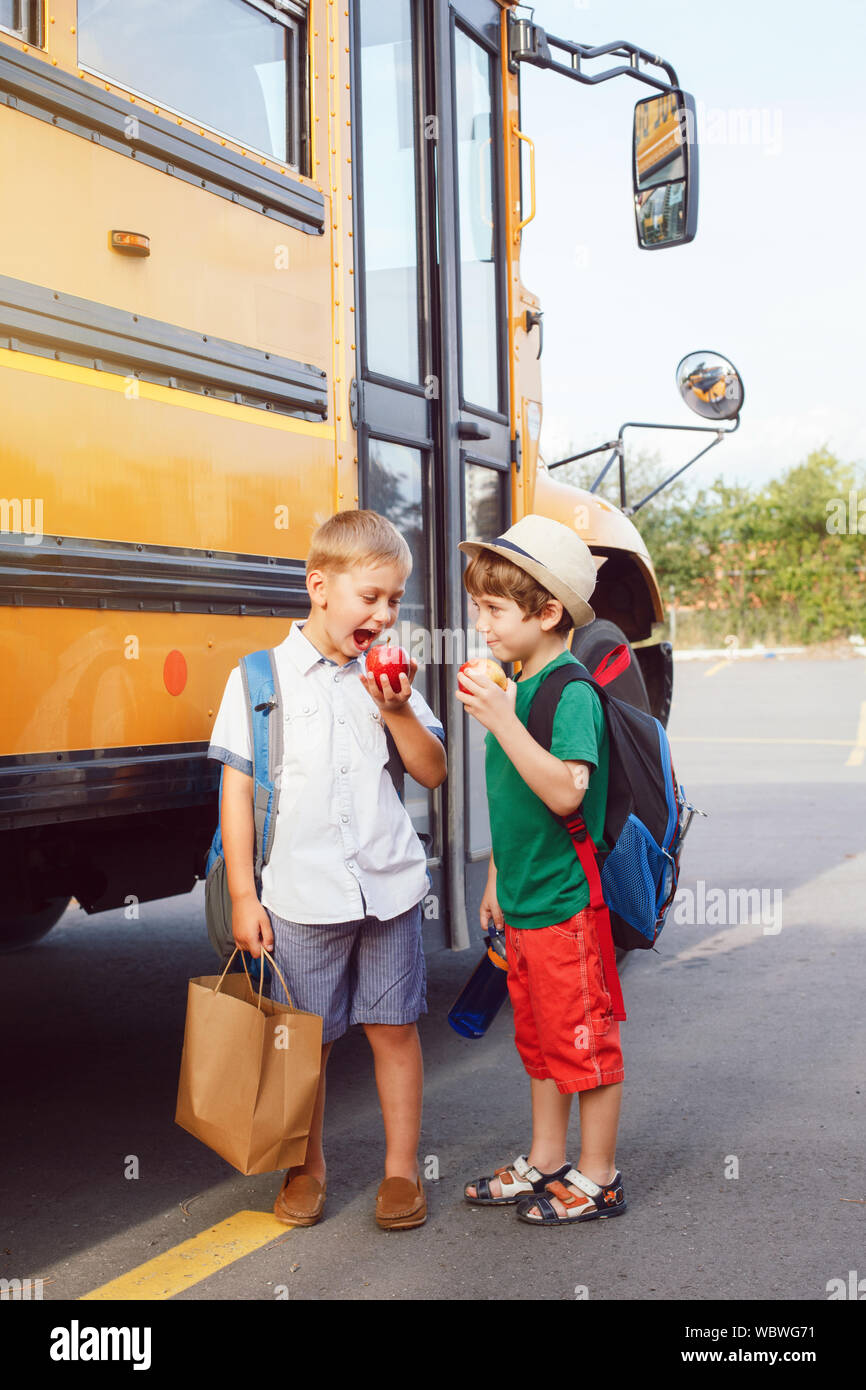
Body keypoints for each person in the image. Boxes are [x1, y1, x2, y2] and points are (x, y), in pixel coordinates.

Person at [207, 509, 446, 1230]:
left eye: (395, 600)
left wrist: (398, 708)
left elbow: (432, 772)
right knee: (304, 1042)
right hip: (300, 899)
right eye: (370, 597)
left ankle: (400, 1172)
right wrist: (245, 895)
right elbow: (238, 793)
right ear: (319, 586)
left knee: (393, 1029)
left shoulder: (393, 677)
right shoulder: (257, 678)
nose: (384, 613)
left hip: (389, 890)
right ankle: (304, 1167)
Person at [457, 515, 627, 1226]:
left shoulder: (568, 691)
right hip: (525, 901)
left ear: (547, 612)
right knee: (540, 1041)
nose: (483, 625)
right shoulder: (518, 684)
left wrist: (501, 719)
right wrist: (497, 879)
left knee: (585, 1044)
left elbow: (564, 790)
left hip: (566, 907)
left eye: (495, 610)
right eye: (479, 610)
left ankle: (599, 1176)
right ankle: (547, 1158)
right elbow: (516, 805)